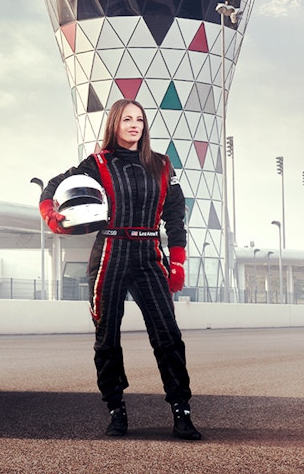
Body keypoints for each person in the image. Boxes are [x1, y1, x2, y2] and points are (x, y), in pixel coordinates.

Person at [38, 98, 201, 441]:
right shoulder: (97, 163)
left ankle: (181, 412)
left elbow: (175, 216)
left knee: (168, 336)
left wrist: (178, 261)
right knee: (107, 337)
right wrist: (50, 214)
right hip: (110, 252)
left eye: (139, 120)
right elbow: (53, 185)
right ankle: (116, 410)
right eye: (127, 119)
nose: (134, 125)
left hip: (149, 256)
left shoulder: (162, 165)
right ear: (114, 124)